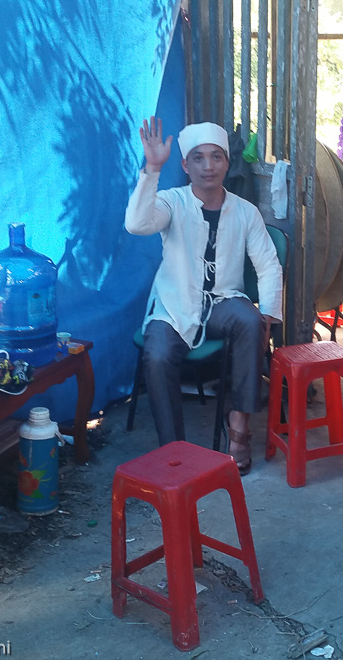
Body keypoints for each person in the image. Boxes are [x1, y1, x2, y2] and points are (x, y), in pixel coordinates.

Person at [125, 118, 282, 474]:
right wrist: (152, 169)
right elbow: (136, 224)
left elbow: (268, 264)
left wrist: (269, 314)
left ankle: (239, 428)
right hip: (174, 304)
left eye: (216, 157)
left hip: (223, 302)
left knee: (251, 320)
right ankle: (174, 450)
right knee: (158, 355)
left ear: (227, 162)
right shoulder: (172, 201)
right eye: (198, 157)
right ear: (185, 165)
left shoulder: (245, 211)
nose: (208, 166)